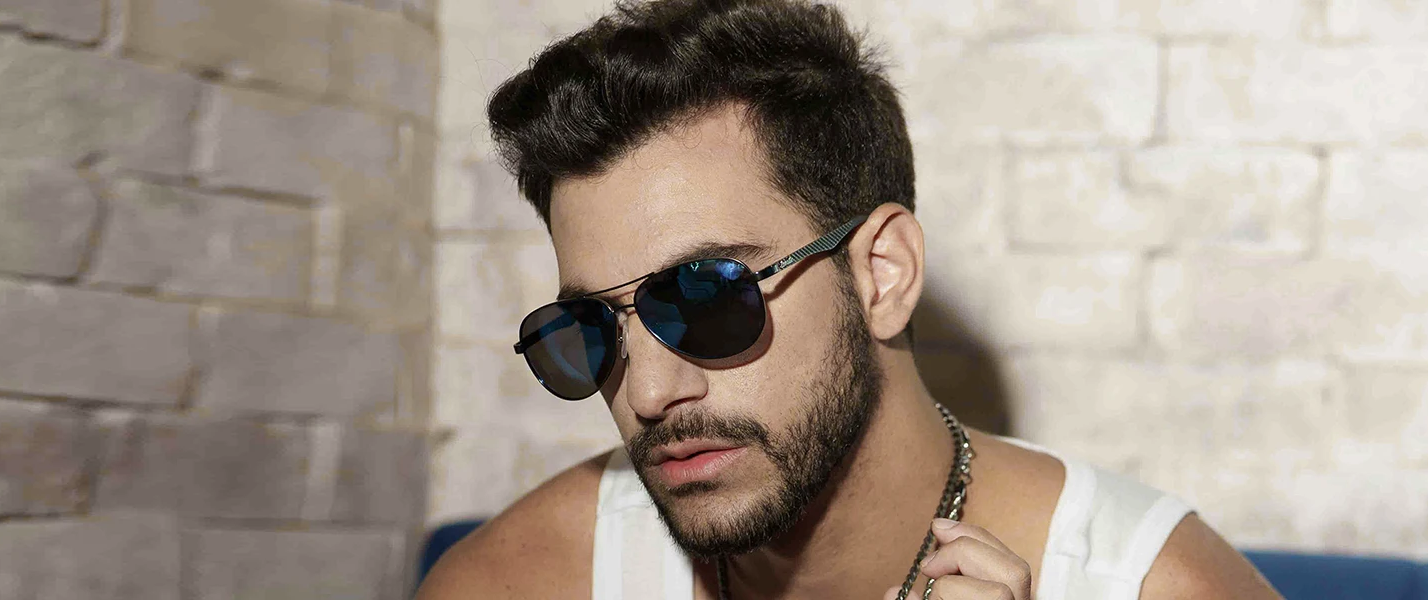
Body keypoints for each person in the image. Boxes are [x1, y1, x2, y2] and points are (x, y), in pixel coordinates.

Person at [418, 1, 1283, 598]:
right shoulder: (515, 583)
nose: (646, 393)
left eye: (706, 298)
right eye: (592, 328)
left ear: (882, 274)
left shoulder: (1149, 585)